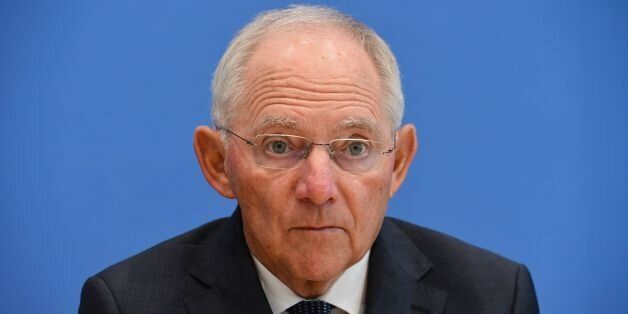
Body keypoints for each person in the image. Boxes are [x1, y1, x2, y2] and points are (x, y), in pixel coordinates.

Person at [79, 5, 539, 314]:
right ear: (218, 163)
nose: (319, 189)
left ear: (398, 163)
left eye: (355, 147)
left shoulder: (496, 297)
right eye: (279, 146)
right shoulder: (125, 303)